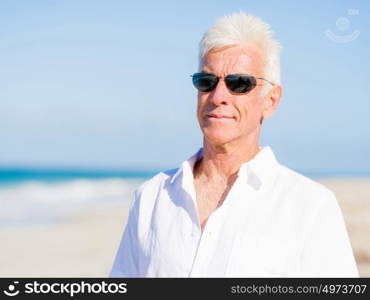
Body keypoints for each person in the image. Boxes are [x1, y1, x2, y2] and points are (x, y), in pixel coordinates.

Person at [110, 12, 358, 277]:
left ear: (271, 100)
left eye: (239, 83)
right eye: (207, 81)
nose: (218, 97)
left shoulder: (310, 206)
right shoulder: (151, 197)